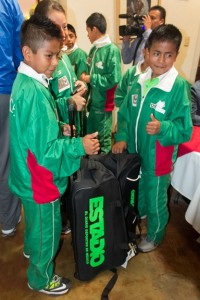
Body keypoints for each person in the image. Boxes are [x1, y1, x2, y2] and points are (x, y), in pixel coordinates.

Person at [9, 14, 99, 296]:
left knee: (36, 225)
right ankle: (40, 277)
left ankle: (31, 250)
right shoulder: (35, 92)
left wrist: (59, 126)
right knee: (48, 231)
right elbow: (47, 152)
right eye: (49, 56)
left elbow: (32, 133)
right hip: (41, 181)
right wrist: (79, 146)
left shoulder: (25, 83)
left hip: (26, 174)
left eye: (58, 55)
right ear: (28, 52)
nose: (55, 63)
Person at [112, 24, 193, 253]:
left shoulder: (177, 87)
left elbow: (184, 130)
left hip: (159, 158)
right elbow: (126, 112)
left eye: (169, 55)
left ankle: (156, 234)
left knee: (156, 197)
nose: (162, 60)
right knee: (139, 190)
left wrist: (163, 128)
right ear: (146, 51)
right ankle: (142, 215)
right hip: (135, 154)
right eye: (157, 53)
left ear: (176, 55)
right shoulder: (139, 79)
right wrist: (122, 137)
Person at [34, 0, 87, 135]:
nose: (63, 34)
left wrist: (78, 86)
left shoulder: (64, 57)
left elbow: (68, 85)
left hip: (71, 132)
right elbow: (40, 110)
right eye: (56, 28)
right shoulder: (39, 66)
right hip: (55, 138)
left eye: (64, 27)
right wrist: (70, 102)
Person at [81, 12, 122, 153]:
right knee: (91, 139)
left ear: (94, 29)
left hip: (103, 106)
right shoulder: (94, 50)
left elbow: (113, 79)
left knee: (103, 142)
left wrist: (91, 78)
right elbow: (87, 72)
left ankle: (104, 173)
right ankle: (91, 170)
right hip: (92, 105)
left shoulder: (112, 50)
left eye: (87, 31)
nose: (87, 35)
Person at [0, 0, 24, 237]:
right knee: (5, 159)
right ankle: (7, 221)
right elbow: (20, 48)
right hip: (3, 87)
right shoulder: (9, 4)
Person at [114, 42, 149, 108]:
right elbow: (118, 97)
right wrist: (129, 109)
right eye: (155, 53)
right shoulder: (131, 72)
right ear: (144, 51)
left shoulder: (157, 75)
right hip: (127, 116)